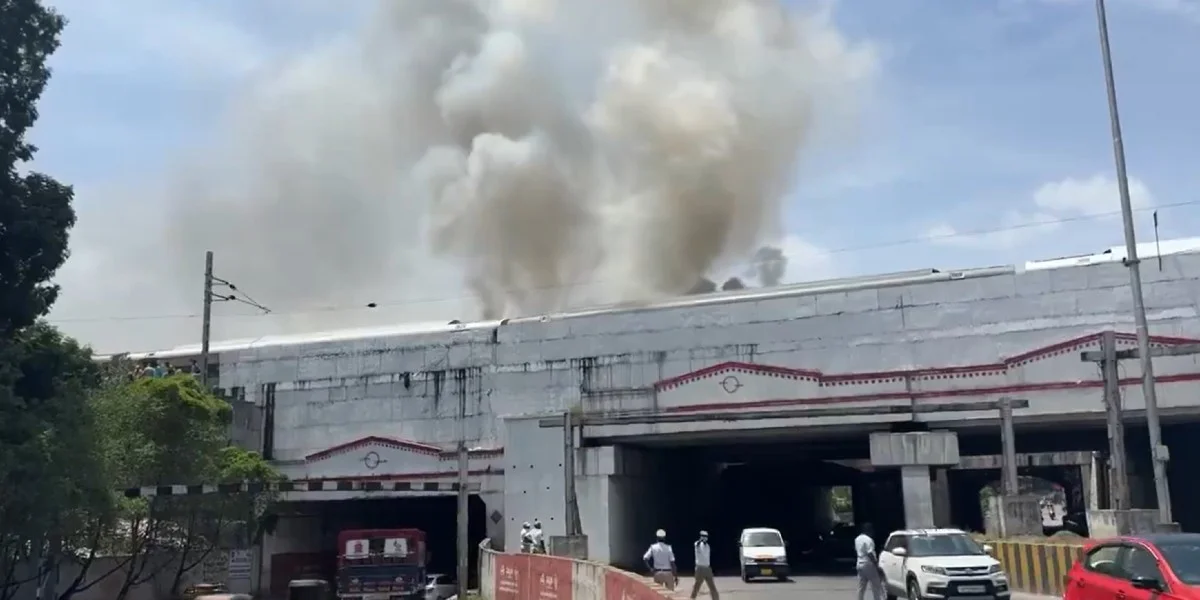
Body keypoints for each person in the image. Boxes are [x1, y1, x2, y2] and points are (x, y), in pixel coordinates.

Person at [855, 523, 883, 600]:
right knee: (875, 584)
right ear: (869, 530)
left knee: (861, 586)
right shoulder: (869, 540)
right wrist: (876, 564)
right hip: (868, 563)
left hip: (859, 562)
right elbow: (870, 553)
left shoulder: (857, 539)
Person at [690, 530, 718, 600]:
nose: (705, 538)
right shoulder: (697, 544)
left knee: (712, 587)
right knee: (697, 586)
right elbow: (697, 545)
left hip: (707, 568)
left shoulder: (708, 546)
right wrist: (700, 540)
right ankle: (692, 598)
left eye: (706, 536)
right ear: (701, 536)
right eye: (704, 536)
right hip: (700, 568)